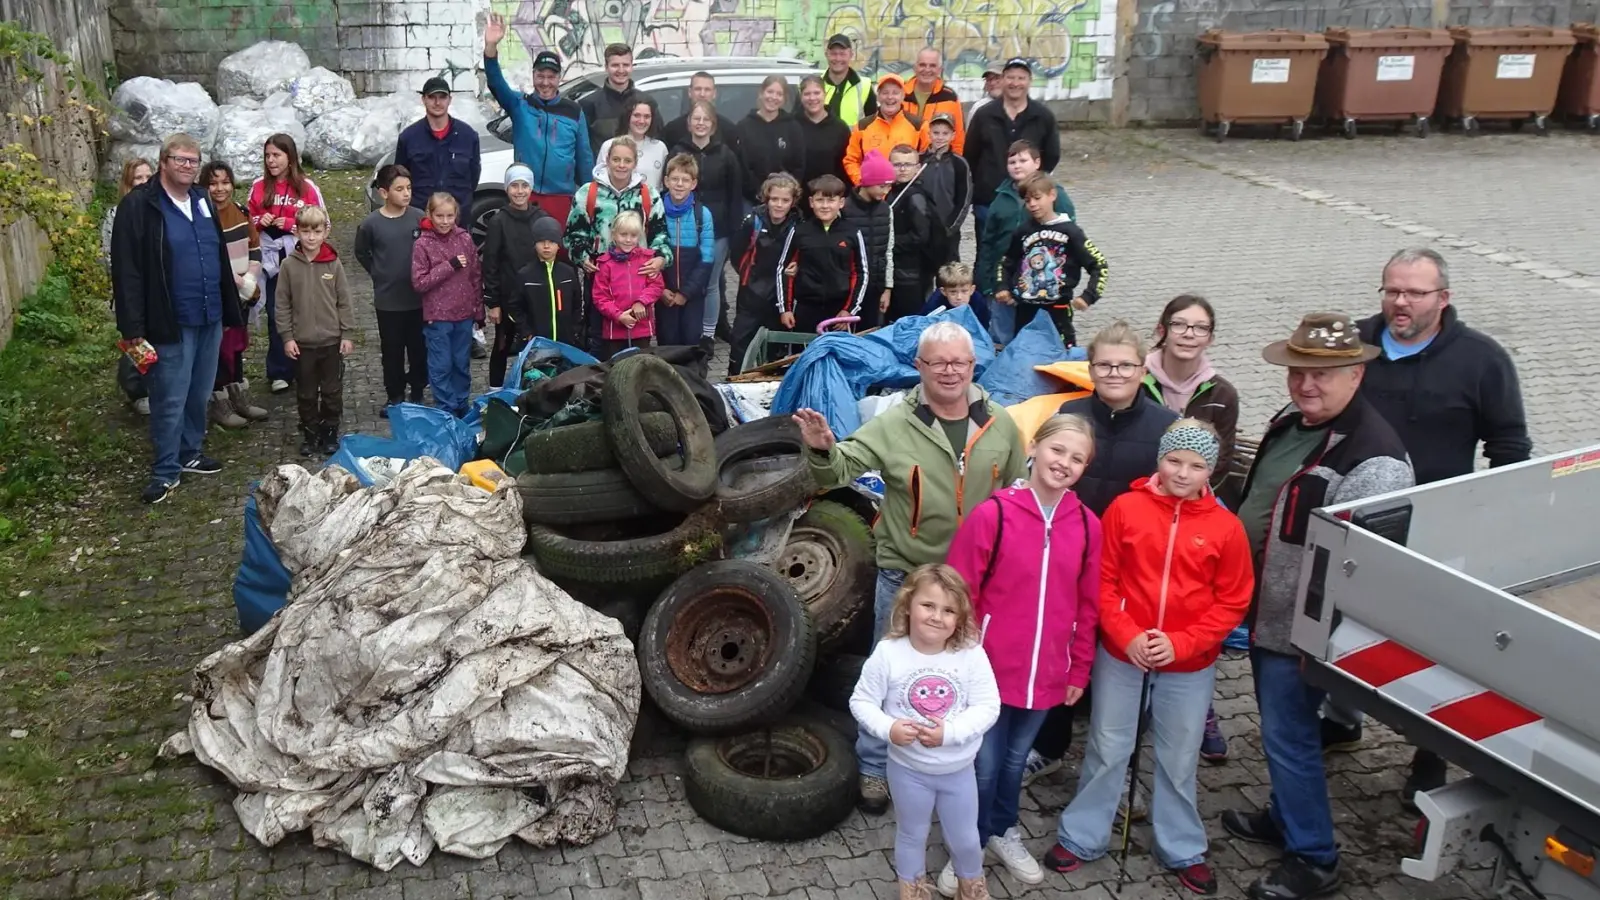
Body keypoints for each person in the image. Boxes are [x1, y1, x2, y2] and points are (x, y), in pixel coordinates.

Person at [794, 320, 1029, 815]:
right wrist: (821, 448)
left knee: (962, 678)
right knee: (890, 676)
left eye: (959, 362)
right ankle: (875, 768)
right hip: (907, 577)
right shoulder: (894, 423)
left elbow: (1018, 491)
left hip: (971, 583)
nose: (949, 371)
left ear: (973, 366)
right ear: (918, 367)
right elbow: (841, 467)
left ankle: (946, 764)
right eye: (937, 362)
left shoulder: (1001, 424)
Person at [1219, 312, 1414, 900]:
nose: (1307, 384)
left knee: (1289, 736)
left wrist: (1314, 635)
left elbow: (1361, 572)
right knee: (1284, 732)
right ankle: (1286, 819)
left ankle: (1314, 856)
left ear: (1356, 374)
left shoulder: (1374, 461)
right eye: (1298, 371)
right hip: (1263, 610)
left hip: (1300, 627)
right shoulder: (1293, 421)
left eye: (1323, 374)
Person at [1342, 247, 1532, 806]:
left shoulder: (1482, 360)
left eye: (1414, 293)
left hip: (1437, 528)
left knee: (1433, 645)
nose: (1400, 303)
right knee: (1341, 622)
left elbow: (1509, 446)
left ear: (1443, 298)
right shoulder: (1355, 343)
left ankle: (1430, 753)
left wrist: (1493, 519)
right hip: (1356, 516)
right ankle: (1340, 715)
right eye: (1391, 290)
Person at [1045, 419, 1253, 898]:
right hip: (1124, 655)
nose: (1183, 473)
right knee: (1107, 745)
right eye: (1174, 460)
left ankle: (1182, 846)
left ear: (1212, 471)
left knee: (1179, 757)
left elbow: (1233, 601)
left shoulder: (1226, 528)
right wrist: (1127, 633)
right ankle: (1083, 834)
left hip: (1189, 664)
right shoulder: (1125, 509)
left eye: (1196, 466)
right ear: (1159, 458)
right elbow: (1104, 580)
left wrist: (1183, 643)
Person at [942, 413, 1101, 894]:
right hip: (987, 670)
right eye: (1058, 451)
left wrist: (1079, 666)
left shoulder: (1088, 525)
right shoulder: (996, 514)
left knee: (1014, 762)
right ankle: (967, 844)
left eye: (1077, 459)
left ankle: (1001, 830)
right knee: (984, 763)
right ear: (1036, 448)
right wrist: (956, 657)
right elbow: (959, 589)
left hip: (1047, 672)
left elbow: (1088, 603)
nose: (1064, 463)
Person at [1024, 322, 1178, 784]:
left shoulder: (1164, 426)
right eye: (1104, 364)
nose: (1114, 373)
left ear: (1142, 367)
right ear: (1090, 368)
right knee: (1059, 651)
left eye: (1125, 365)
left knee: (1123, 662)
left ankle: (1120, 759)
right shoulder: (1070, 414)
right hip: (1068, 558)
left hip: (1132, 566)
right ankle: (1049, 745)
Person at [848, 563, 1001, 900]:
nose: (937, 616)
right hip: (907, 770)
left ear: (960, 618)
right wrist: (889, 728)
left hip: (958, 770)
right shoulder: (888, 653)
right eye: (928, 605)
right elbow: (862, 701)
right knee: (911, 834)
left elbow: (989, 706)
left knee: (965, 838)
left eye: (948, 610)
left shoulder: (971, 653)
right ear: (907, 605)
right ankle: (912, 890)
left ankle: (971, 887)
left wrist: (950, 733)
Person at [111, 133, 245, 504]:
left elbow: (218, 255)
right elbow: (127, 272)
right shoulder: (141, 206)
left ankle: (190, 453)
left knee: (199, 392)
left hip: (209, 314)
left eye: (193, 160)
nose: (188, 166)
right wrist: (133, 330)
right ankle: (165, 469)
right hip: (169, 320)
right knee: (169, 396)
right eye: (181, 159)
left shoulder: (202, 200)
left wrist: (230, 305)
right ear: (163, 161)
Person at [1139, 294, 1241, 763]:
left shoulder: (1221, 391)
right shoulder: (1138, 377)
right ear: (1163, 328)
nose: (1188, 334)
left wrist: (1189, 494)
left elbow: (1220, 462)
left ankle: (1199, 705)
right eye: (1180, 324)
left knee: (1194, 598)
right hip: (1144, 497)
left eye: (1199, 328)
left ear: (1210, 337)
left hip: (1195, 502)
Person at [484, 14, 593, 223]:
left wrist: (590, 196)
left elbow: (584, 157)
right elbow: (496, 82)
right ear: (533, 75)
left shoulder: (574, 111)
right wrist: (490, 48)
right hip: (525, 194)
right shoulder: (519, 104)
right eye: (540, 76)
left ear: (559, 78)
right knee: (524, 251)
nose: (545, 82)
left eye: (551, 77)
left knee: (557, 253)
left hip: (561, 197)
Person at [566, 136, 672, 349]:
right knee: (597, 337)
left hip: (638, 278)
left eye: (627, 160)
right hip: (600, 276)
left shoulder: (648, 194)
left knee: (637, 337)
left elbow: (660, 234)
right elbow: (573, 234)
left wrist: (661, 258)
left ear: (634, 163)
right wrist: (582, 256)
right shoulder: (588, 193)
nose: (621, 165)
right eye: (616, 159)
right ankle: (598, 380)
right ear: (607, 159)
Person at [247, 133, 326, 394]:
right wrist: (261, 222)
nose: (271, 161)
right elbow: (246, 223)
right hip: (271, 260)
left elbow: (324, 224)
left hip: (300, 257)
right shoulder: (258, 186)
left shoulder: (307, 187)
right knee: (276, 312)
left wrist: (293, 225)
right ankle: (279, 370)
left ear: (290, 157)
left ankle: (308, 366)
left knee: (305, 311)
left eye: (276, 155)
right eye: (267, 155)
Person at [975, 141, 1074, 345]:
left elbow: (1069, 241)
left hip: (1041, 284)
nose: (1017, 165)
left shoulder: (1057, 195)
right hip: (1004, 282)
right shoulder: (1000, 198)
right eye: (1012, 161)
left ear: (1037, 162)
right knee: (1003, 337)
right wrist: (986, 283)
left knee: (1041, 338)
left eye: (1023, 160)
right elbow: (988, 243)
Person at [274, 206, 353, 458]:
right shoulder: (288, 265)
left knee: (332, 391)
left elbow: (344, 301)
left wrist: (347, 334)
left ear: (325, 232)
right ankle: (310, 432)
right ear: (296, 231)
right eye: (305, 231)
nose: (310, 237)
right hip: (303, 343)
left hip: (331, 342)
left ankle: (330, 430)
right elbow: (282, 303)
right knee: (306, 393)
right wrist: (287, 337)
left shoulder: (333, 262)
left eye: (316, 231)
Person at [997, 172, 1107, 348]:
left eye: (1037, 198)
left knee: (1060, 360)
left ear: (1052, 195)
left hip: (1058, 310)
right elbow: (1007, 261)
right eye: (1027, 200)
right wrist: (1004, 287)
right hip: (1025, 309)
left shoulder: (1072, 232)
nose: (1032, 204)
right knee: (1023, 357)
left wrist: (1088, 296)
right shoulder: (1022, 231)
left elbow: (1099, 265)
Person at [670, 99, 742, 356]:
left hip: (719, 229)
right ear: (689, 122)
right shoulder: (678, 150)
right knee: (688, 280)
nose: (700, 123)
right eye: (696, 118)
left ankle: (707, 335)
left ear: (713, 125)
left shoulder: (726, 155)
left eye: (706, 120)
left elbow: (735, 195)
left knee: (710, 283)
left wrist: (735, 232)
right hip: (684, 225)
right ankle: (683, 331)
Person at [200, 160, 268, 430]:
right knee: (218, 350)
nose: (220, 188)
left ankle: (239, 398)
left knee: (237, 347)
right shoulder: (202, 217)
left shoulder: (241, 212)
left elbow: (255, 246)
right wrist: (235, 280)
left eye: (225, 182)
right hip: (217, 294)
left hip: (241, 295)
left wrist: (250, 278)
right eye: (213, 183)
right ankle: (219, 404)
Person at [355, 164, 429, 412]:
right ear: (384, 193)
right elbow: (361, 252)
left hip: (418, 299)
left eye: (408, 188)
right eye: (399, 189)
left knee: (418, 348)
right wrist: (378, 272)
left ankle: (417, 390)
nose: (406, 193)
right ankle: (395, 394)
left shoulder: (419, 218)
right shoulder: (371, 224)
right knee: (392, 350)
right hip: (388, 302)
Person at [967, 59, 1060, 242]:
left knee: (1029, 254)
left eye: (1021, 78)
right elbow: (970, 154)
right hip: (989, 200)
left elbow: (1052, 155)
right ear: (1002, 80)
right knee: (988, 254)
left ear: (1029, 81)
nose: (1015, 83)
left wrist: (1034, 182)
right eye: (1010, 77)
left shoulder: (1043, 116)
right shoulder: (984, 115)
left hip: (1029, 200)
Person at [482, 164, 555, 388]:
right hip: (507, 295)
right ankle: (495, 389)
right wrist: (493, 302)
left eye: (524, 185)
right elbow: (491, 263)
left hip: (535, 294)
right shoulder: (498, 222)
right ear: (507, 189)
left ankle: (534, 387)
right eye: (514, 185)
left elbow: (550, 254)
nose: (520, 191)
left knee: (534, 343)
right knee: (502, 345)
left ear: (531, 188)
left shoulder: (540, 217)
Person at [411, 193, 484, 417]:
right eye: (439, 216)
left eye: (449, 216)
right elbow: (419, 282)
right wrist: (448, 266)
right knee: (441, 366)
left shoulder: (464, 238)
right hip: (438, 318)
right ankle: (445, 407)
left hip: (463, 315)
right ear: (430, 215)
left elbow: (475, 276)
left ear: (456, 216)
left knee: (461, 364)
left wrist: (478, 311)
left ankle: (462, 405)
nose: (444, 221)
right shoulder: (422, 244)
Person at [725, 173, 800, 378]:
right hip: (751, 291)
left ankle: (770, 382)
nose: (779, 204)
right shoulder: (753, 220)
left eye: (785, 200)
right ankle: (734, 378)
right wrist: (747, 275)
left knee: (775, 346)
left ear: (793, 202)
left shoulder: (798, 224)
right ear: (766, 198)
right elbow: (737, 252)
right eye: (774, 199)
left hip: (779, 296)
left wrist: (797, 267)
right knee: (741, 340)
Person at [779, 174, 868, 334]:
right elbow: (783, 270)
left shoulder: (852, 232)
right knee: (802, 354)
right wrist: (786, 308)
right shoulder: (800, 231)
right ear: (811, 202)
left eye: (831, 200)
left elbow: (861, 273)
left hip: (839, 311)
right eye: (820, 200)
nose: (825, 206)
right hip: (806, 308)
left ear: (841, 203)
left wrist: (849, 309)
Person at [107, 157, 156, 416]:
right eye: (139, 178)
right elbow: (112, 257)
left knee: (153, 340)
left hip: (155, 289)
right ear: (128, 182)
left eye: (149, 177)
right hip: (130, 289)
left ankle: (152, 386)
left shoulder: (158, 209)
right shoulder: (117, 213)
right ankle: (135, 389)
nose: (145, 182)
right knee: (135, 341)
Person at [395, 77, 482, 224]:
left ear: (450, 99)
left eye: (442, 97)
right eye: (432, 97)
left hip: (457, 219)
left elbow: (474, 175)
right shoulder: (409, 138)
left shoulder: (468, 136)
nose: (437, 103)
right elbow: (401, 177)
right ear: (423, 99)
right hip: (421, 217)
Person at [656, 154, 715, 348]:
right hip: (664, 293)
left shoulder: (702, 214)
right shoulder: (656, 211)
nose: (679, 184)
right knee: (667, 341)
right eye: (675, 179)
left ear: (693, 183)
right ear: (666, 181)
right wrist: (661, 289)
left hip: (693, 294)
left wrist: (686, 293)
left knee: (691, 341)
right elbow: (648, 253)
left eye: (685, 180)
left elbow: (707, 258)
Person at [591, 211, 664, 359]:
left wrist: (641, 302)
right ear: (614, 235)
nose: (628, 240)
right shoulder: (605, 264)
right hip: (614, 330)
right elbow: (600, 297)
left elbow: (656, 286)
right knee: (617, 369)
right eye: (623, 235)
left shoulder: (647, 259)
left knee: (642, 368)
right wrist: (618, 316)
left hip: (641, 327)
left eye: (633, 235)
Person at [885, 144, 942, 323]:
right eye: (897, 164)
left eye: (907, 165)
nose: (902, 169)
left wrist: (889, 243)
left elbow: (920, 237)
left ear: (917, 167)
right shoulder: (890, 192)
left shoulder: (916, 196)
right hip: (896, 269)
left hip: (911, 273)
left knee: (908, 320)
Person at [514, 216, 586, 349]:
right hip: (536, 343)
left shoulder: (568, 272)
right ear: (535, 244)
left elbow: (577, 303)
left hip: (565, 340)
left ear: (558, 245)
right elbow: (515, 307)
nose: (546, 246)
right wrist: (526, 332)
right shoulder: (525, 275)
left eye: (551, 241)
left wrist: (574, 330)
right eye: (541, 241)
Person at [735, 76, 807, 207]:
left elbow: (798, 165)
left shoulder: (793, 127)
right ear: (761, 93)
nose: (773, 97)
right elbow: (742, 166)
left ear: (784, 98)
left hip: (784, 201)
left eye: (779, 94)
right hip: (752, 201)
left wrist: (785, 194)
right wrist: (759, 194)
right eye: (770, 92)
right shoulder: (744, 126)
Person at [842, 151, 895, 328]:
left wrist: (887, 288)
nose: (886, 191)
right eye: (882, 186)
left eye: (889, 186)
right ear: (867, 182)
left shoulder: (886, 210)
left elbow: (888, 250)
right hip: (848, 287)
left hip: (875, 286)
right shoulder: (845, 209)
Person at [844, 73, 925, 186]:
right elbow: (851, 160)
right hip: (872, 194)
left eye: (895, 93)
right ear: (878, 96)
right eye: (885, 92)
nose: (890, 97)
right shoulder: (863, 126)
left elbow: (926, 161)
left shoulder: (918, 126)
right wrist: (863, 182)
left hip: (905, 193)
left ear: (903, 96)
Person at [578, 43, 659, 151]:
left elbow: (657, 139)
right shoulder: (588, 104)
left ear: (632, 67)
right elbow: (583, 148)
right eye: (615, 65)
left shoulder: (648, 102)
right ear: (606, 67)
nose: (621, 70)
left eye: (626, 65)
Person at [919, 114, 971, 265]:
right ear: (929, 133)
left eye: (945, 133)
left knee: (949, 273)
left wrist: (951, 227)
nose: (940, 137)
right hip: (923, 229)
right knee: (924, 272)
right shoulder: (919, 160)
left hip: (948, 228)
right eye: (936, 133)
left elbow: (964, 199)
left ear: (953, 135)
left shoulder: (959, 163)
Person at [594, 99, 668, 194]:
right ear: (627, 116)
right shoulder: (609, 145)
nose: (641, 121)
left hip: (650, 206)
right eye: (636, 115)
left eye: (647, 116)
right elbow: (599, 182)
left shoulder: (660, 148)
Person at [796, 74, 852, 197]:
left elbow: (846, 166)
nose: (812, 98)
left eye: (817, 93)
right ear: (801, 97)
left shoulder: (839, 128)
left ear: (825, 94)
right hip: (798, 199)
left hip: (830, 199)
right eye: (807, 94)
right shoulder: (792, 125)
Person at [904, 48, 965, 154]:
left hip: (937, 163)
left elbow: (958, 138)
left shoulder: (949, 97)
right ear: (915, 68)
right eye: (922, 65)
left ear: (940, 70)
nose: (927, 70)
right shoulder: (901, 94)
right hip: (903, 163)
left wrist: (954, 165)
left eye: (932, 65)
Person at [660, 72, 739, 151]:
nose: (702, 94)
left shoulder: (728, 130)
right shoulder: (673, 130)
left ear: (714, 93)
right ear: (690, 92)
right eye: (698, 89)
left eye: (707, 90)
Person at [819, 33, 876, 123]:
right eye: (833, 54)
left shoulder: (864, 86)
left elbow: (874, 123)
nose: (838, 58)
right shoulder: (817, 85)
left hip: (854, 137)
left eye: (842, 54)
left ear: (851, 55)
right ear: (826, 54)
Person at [920, 262, 990, 330]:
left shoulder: (978, 302)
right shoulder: (935, 303)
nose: (959, 297)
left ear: (972, 289)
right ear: (943, 291)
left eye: (964, 291)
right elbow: (922, 324)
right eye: (953, 292)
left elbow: (983, 327)